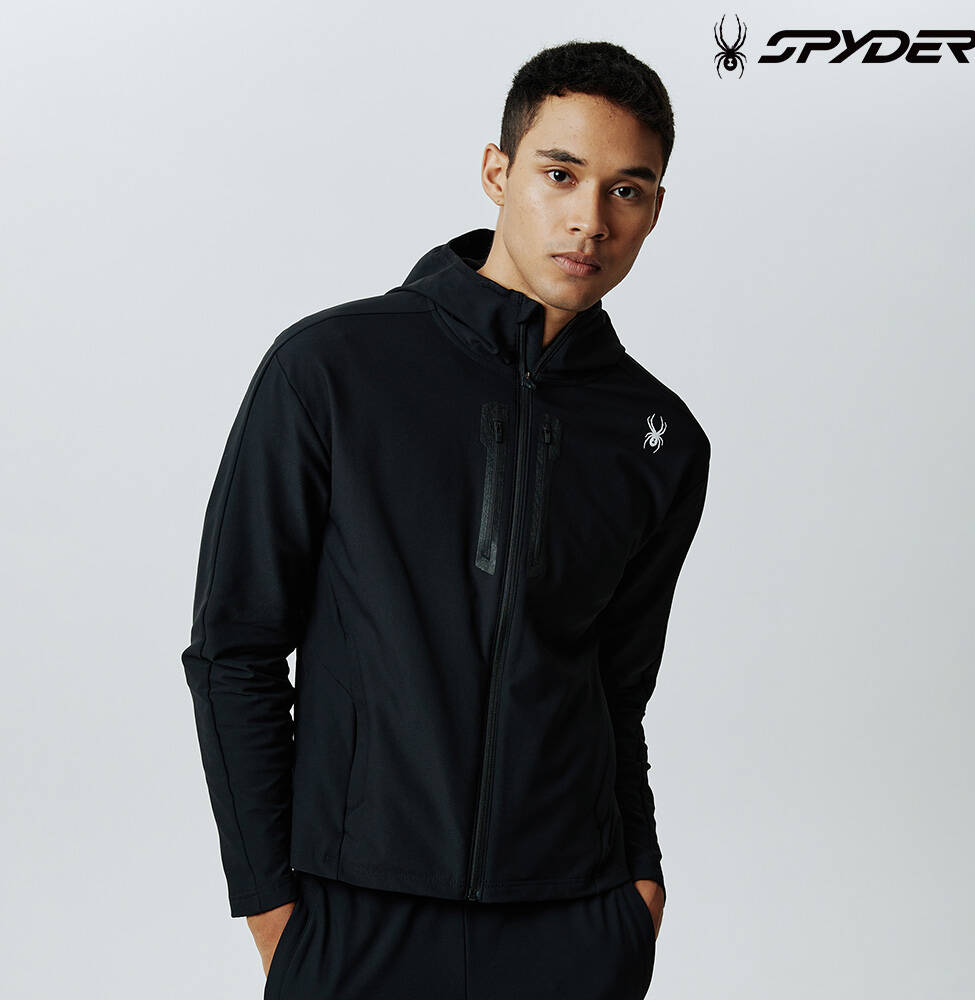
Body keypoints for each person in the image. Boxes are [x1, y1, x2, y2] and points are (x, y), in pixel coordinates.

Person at [181, 39, 710, 1000]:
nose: (590, 221)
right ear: (497, 173)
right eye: (561, 174)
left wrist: (637, 887)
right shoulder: (331, 370)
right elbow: (235, 648)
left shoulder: (661, 438)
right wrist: (271, 906)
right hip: (356, 916)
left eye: (627, 191)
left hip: (575, 919)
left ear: (655, 209)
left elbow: (617, 687)